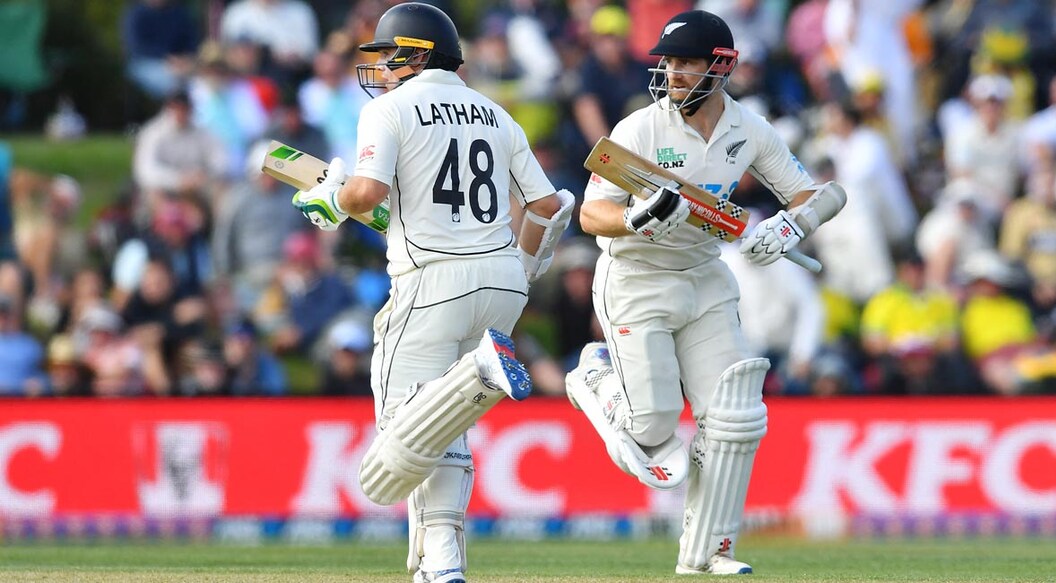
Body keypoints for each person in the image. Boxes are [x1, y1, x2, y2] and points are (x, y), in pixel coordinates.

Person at [290, 4, 573, 583]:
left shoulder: (391, 110)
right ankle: (440, 561)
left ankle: (479, 378)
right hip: (501, 281)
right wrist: (520, 268)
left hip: (431, 284)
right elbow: (548, 207)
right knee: (443, 425)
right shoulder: (496, 112)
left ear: (417, 55)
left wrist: (329, 201)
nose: (380, 71)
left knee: (397, 441)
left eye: (388, 57)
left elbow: (366, 193)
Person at [566, 10, 846, 576]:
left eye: (685, 64)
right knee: (652, 430)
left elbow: (821, 193)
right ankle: (596, 378)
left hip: (704, 277)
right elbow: (592, 215)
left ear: (721, 67)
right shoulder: (640, 129)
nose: (671, 74)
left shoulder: (749, 129)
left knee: (733, 418)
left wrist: (789, 227)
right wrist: (638, 218)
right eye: (667, 63)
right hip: (636, 278)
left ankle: (707, 555)